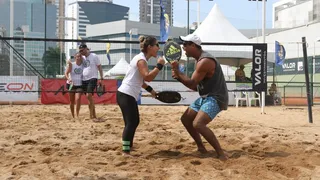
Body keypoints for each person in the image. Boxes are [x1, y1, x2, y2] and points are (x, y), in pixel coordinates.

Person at [171, 34, 229, 161]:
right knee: (186, 119)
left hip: (216, 98)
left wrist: (178, 72)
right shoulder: (199, 60)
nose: (183, 47)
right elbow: (194, 87)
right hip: (206, 96)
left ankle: (221, 153)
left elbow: (192, 83)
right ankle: (201, 148)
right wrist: (179, 76)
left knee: (198, 124)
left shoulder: (205, 61)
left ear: (193, 45)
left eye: (185, 44)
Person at [117, 35, 165, 155]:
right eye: (156, 45)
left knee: (133, 121)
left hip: (126, 94)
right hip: (126, 94)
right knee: (131, 122)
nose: (158, 48)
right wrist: (159, 65)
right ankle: (125, 151)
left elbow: (140, 81)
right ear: (149, 47)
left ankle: (128, 145)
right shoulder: (141, 60)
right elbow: (148, 77)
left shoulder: (141, 58)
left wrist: (151, 91)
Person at [79, 44, 104, 121]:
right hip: (84, 79)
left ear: (86, 49)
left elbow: (99, 67)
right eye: (80, 51)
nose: (81, 52)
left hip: (93, 78)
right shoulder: (82, 57)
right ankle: (93, 115)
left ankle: (92, 116)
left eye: (82, 50)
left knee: (89, 95)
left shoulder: (94, 56)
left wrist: (101, 78)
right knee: (89, 98)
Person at [65, 52, 84, 118]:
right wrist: (69, 79)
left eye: (79, 56)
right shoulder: (72, 65)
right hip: (71, 85)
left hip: (79, 85)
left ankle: (77, 114)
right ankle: (73, 115)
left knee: (78, 99)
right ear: (75, 58)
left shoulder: (83, 65)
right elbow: (66, 73)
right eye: (77, 57)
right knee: (71, 101)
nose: (78, 58)